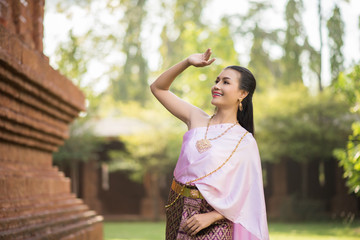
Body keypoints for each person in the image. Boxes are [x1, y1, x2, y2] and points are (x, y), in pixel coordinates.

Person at [150, 48, 269, 240]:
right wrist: (187, 62)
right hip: (177, 207)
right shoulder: (195, 118)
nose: (217, 86)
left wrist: (212, 216)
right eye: (217, 81)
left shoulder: (244, 141)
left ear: (242, 93)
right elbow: (158, 88)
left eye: (226, 82)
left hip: (214, 218)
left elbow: (248, 192)